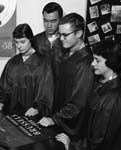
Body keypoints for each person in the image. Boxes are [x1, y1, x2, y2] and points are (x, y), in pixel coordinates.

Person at [56, 40, 121, 150]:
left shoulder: (113, 97)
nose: (92, 63)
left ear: (110, 62)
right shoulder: (108, 82)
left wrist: (71, 145)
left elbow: (100, 141)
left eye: (97, 60)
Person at [38, 13, 94, 141]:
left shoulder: (85, 64)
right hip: (60, 122)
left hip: (72, 130)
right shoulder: (66, 55)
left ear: (79, 34)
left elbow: (78, 103)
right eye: (60, 34)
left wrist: (54, 119)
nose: (61, 38)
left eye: (65, 35)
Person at [0, 23, 54, 118]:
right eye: (16, 42)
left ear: (31, 39)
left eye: (22, 42)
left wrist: (37, 107)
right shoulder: (13, 62)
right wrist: (1, 102)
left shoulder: (43, 63)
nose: (19, 46)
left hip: (33, 115)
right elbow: (5, 88)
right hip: (12, 115)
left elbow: (45, 92)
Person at [33, 2, 66, 103]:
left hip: (61, 95)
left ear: (60, 20)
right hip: (38, 95)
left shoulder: (67, 42)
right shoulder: (35, 41)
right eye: (45, 20)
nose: (48, 25)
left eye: (53, 21)